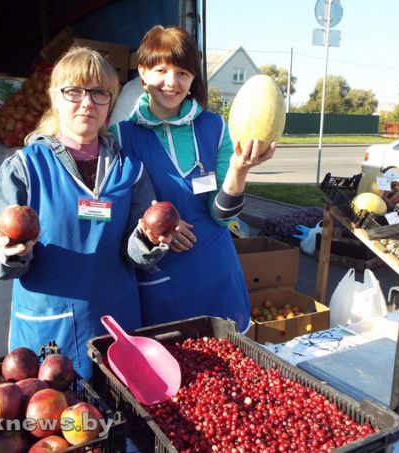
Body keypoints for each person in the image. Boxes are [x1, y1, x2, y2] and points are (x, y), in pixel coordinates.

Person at [0, 47, 169, 379]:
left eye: (99, 93)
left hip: (115, 325)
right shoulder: (24, 168)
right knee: (51, 421)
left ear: (111, 102)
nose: (87, 102)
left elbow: (133, 253)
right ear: (54, 96)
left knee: (116, 420)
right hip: (49, 333)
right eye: (74, 91)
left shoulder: (130, 170)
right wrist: (9, 252)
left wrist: (149, 242)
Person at [112, 25, 276, 332]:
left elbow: (220, 214)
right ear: (143, 72)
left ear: (193, 78)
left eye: (183, 73)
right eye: (161, 70)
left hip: (217, 275)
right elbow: (118, 221)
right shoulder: (121, 136)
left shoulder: (217, 128)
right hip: (162, 282)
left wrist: (240, 169)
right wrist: (152, 232)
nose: (172, 83)